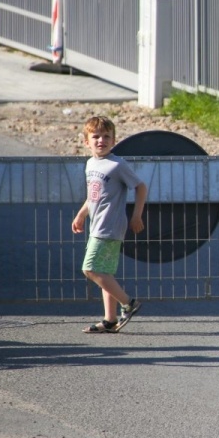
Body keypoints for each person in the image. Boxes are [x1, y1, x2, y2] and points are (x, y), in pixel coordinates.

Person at [72, 116, 147, 334]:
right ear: (86, 141)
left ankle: (129, 303)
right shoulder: (91, 164)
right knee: (104, 272)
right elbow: (93, 196)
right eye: (96, 136)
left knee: (90, 268)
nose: (101, 141)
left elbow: (141, 187)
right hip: (96, 224)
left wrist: (137, 215)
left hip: (110, 225)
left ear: (114, 140)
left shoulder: (117, 165)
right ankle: (110, 320)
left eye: (106, 136)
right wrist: (81, 214)